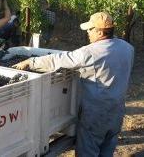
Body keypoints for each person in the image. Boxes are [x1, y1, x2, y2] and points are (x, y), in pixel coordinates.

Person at [13, 12, 134, 156]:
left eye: (90, 29)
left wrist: (30, 62)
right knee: (108, 147)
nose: (88, 32)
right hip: (117, 110)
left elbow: (58, 60)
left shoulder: (90, 52)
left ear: (100, 31)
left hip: (96, 114)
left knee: (88, 150)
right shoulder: (127, 48)